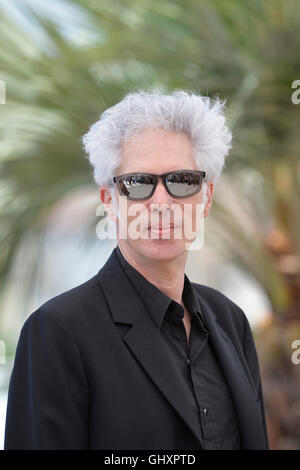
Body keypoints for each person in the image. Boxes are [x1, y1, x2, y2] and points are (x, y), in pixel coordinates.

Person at [4, 89, 269, 450]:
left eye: (182, 180)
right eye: (138, 183)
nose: (162, 203)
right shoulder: (57, 334)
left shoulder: (231, 322)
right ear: (110, 202)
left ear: (205, 198)